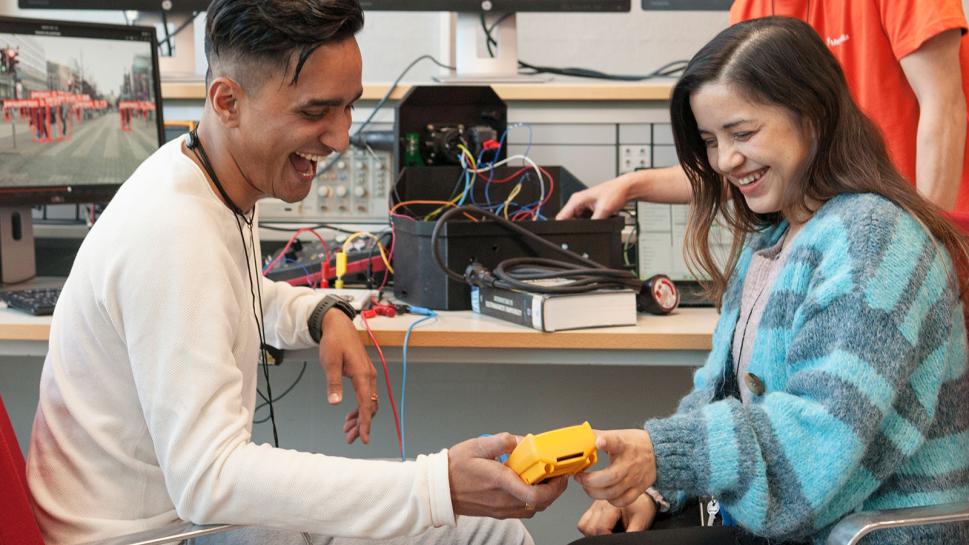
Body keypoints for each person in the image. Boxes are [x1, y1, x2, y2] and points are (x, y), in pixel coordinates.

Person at [25, 1, 566, 545]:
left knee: (481, 530)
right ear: (228, 102)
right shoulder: (172, 228)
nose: (340, 138)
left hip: (182, 517)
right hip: (151, 536)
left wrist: (321, 313)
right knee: (476, 530)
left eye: (349, 108)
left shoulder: (199, 171)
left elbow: (232, 293)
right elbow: (209, 479)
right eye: (316, 112)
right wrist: (435, 486)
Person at [568, 17, 969, 545]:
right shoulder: (773, 241)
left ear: (813, 116)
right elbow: (718, 394)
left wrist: (660, 455)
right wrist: (657, 486)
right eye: (711, 141)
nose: (725, 161)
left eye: (743, 133)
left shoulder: (875, 239)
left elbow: (817, 440)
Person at [558, 0, 969, 219]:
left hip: (917, 229)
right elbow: (746, 157)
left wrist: (925, 249)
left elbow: (945, 107)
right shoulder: (750, 10)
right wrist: (631, 186)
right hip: (832, 241)